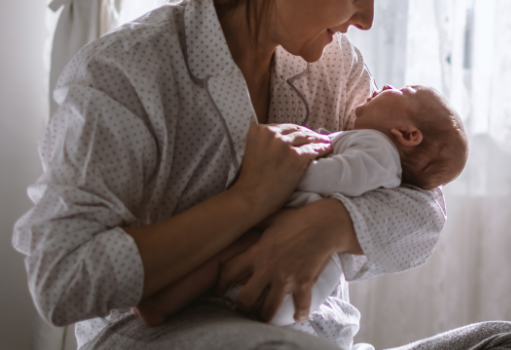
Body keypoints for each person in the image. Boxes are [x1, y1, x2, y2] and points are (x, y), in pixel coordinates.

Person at [12, 0, 511, 348]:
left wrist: (328, 225)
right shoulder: (126, 72)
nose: (367, 18)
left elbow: (424, 204)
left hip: (317, 336)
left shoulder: (333, 67)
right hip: (168, 338)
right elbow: (62, 281)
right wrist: (247, 200)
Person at [132, 85, 469, 328]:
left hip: (298, 264)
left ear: (408, 134)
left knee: (225, 256)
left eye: (404, 90)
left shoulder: (377, 146)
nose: (385, 86)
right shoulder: (377, 143)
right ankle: (163, 305)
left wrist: (287, 175)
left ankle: (161, 304)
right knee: (225, 260)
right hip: (302, 290)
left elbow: (343, 177)